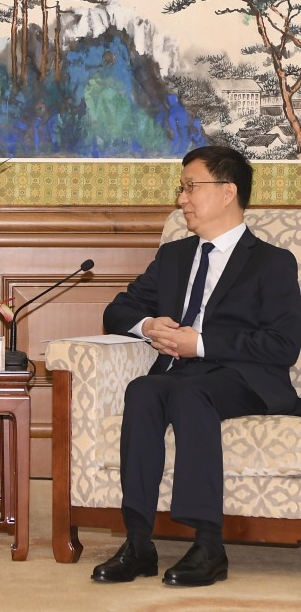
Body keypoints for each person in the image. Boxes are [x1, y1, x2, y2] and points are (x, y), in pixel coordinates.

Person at [91, 145, 301, 588]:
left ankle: (208, 544)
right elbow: (117, 311)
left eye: (191, 187)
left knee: (190, 393)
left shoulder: (272, 262)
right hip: (179, 373)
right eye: (181, 188)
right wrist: (149, 325)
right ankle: (138, 542)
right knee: (142, 391)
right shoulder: (175, 256)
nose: (182, 198)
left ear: (228, 192)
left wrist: (200, 343)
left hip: (243, 377)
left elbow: (282, 344)